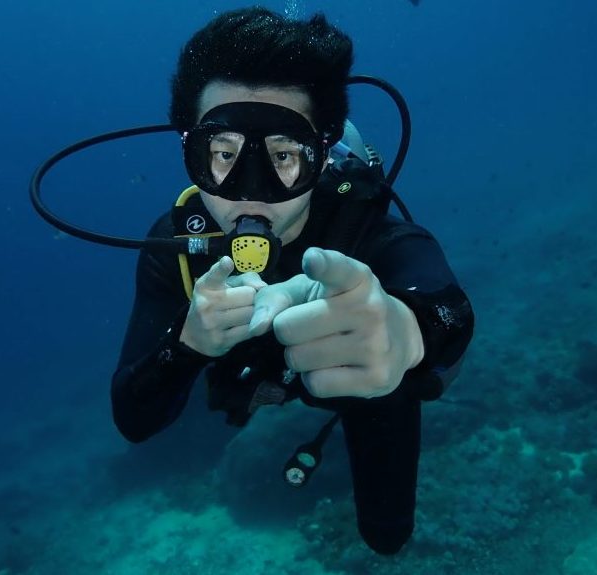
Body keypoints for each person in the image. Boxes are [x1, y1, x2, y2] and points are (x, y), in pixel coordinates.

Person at [111, 7, 474, 555]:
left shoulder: (362, 229)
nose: (249, 193)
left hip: (356, 387)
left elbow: (448, 309)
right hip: (254, 380)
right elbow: (134, 421)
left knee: (387, 534)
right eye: (223, 154)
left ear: (323, 155)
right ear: (191, 153)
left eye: (283, 155)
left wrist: (406, 332)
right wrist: (186, 346)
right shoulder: (177, 249)